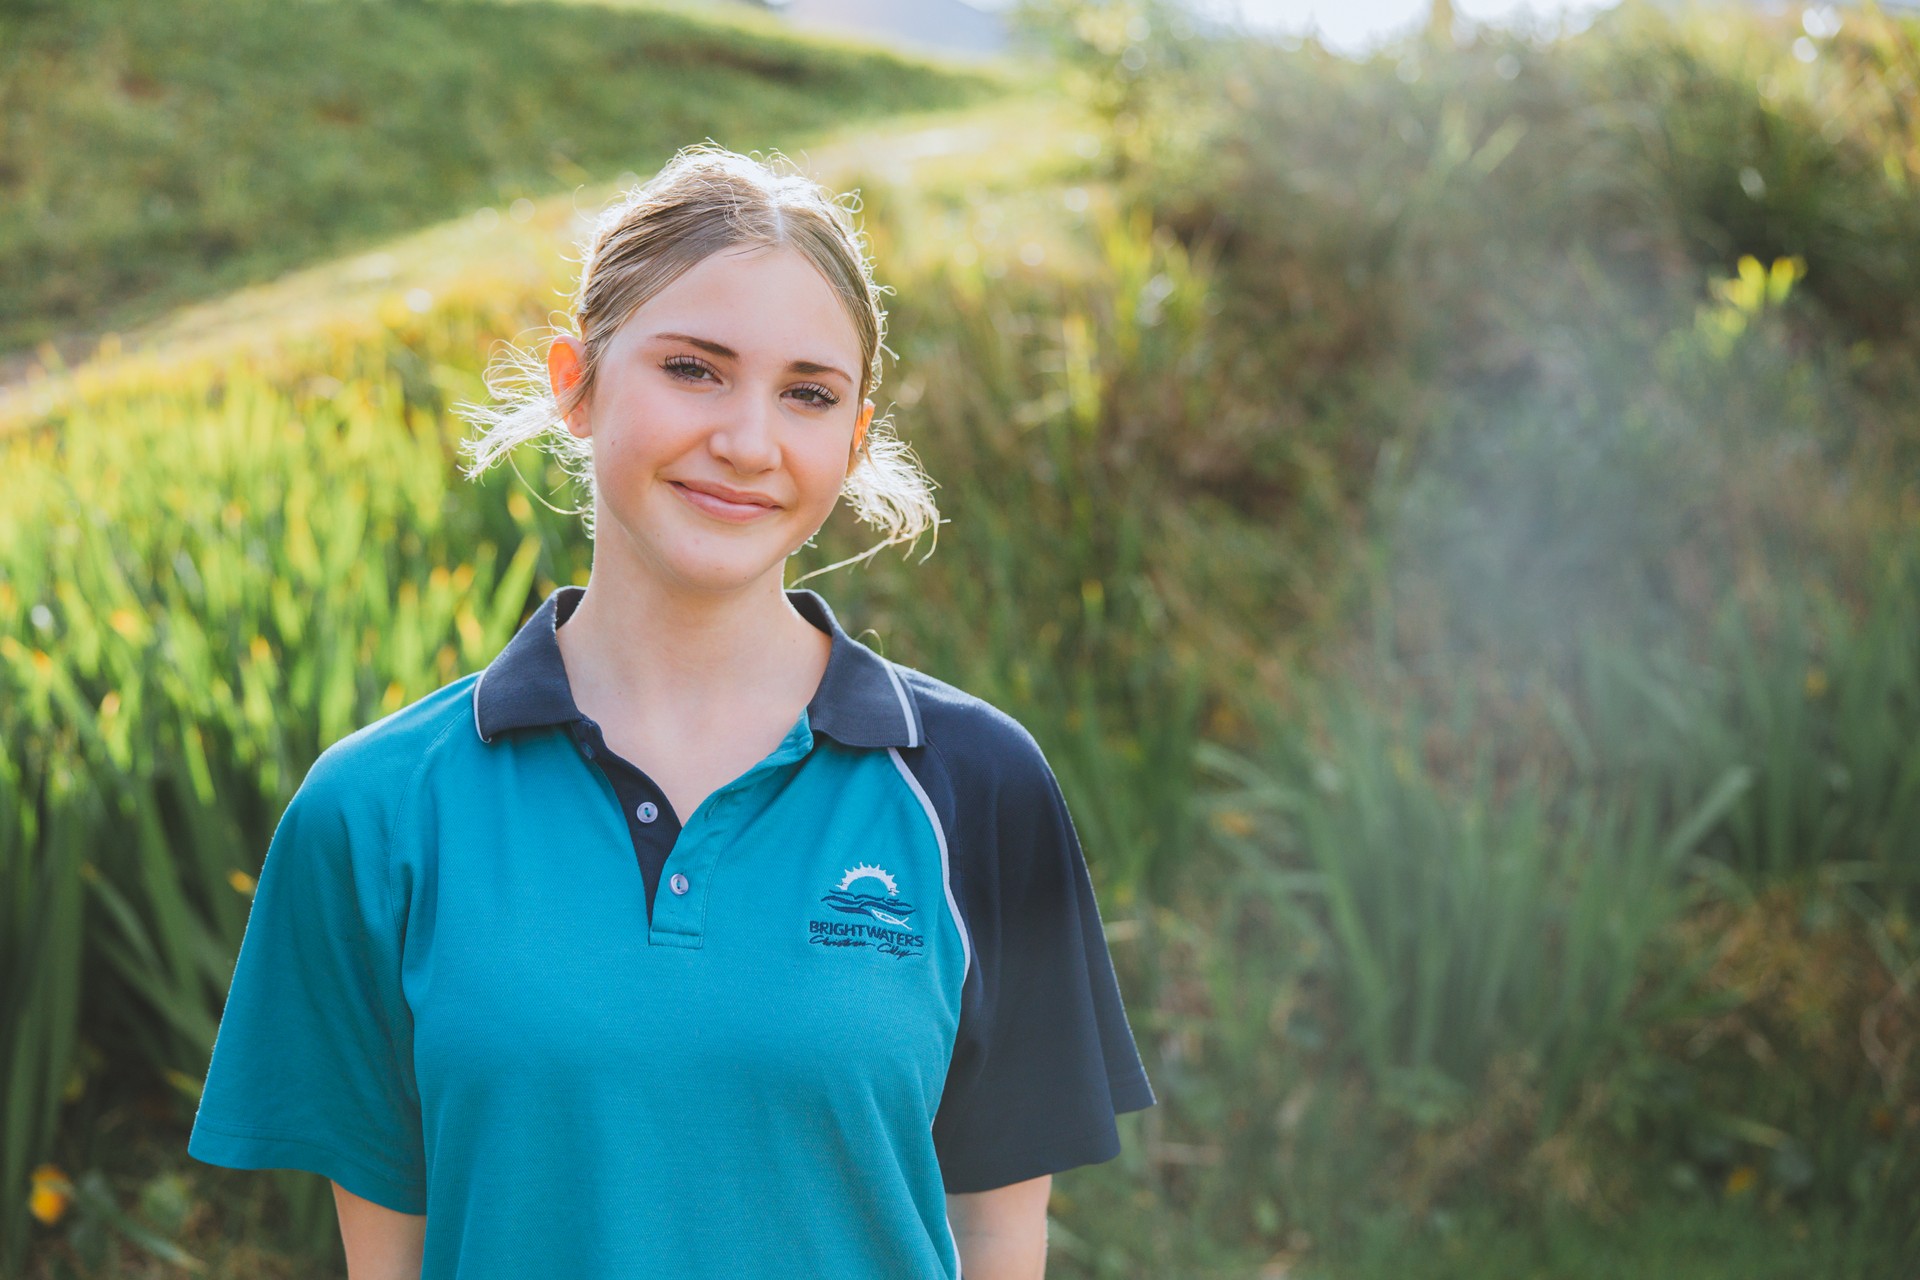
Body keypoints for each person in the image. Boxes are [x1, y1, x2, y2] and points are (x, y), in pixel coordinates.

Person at [187, 143, 1156, 1279]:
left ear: (854, 436)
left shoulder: (978, 786)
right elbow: (390, 1256)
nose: (747, 441)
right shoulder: (375, 810)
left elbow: (995, 1230)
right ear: (577, 383)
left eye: (808, 393)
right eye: (694, 369)